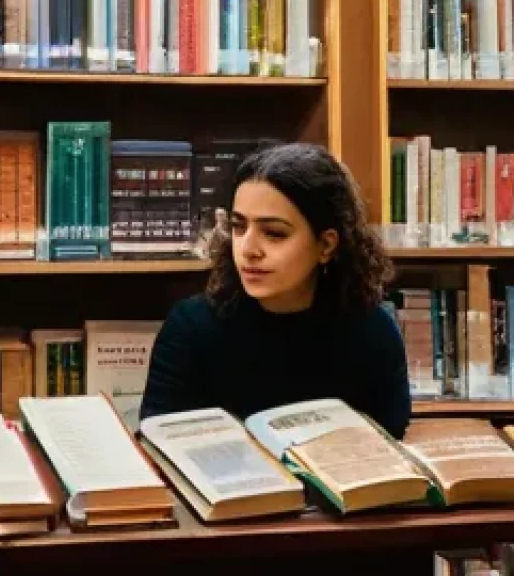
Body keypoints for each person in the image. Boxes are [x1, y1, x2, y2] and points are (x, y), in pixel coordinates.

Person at [140, 142, 412, 439]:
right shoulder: (190, 329)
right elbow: (162, 449)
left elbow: (390, 448)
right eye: (238, 227)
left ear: (326, 245)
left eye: (274, 234)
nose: (248, 249)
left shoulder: (373, 333)